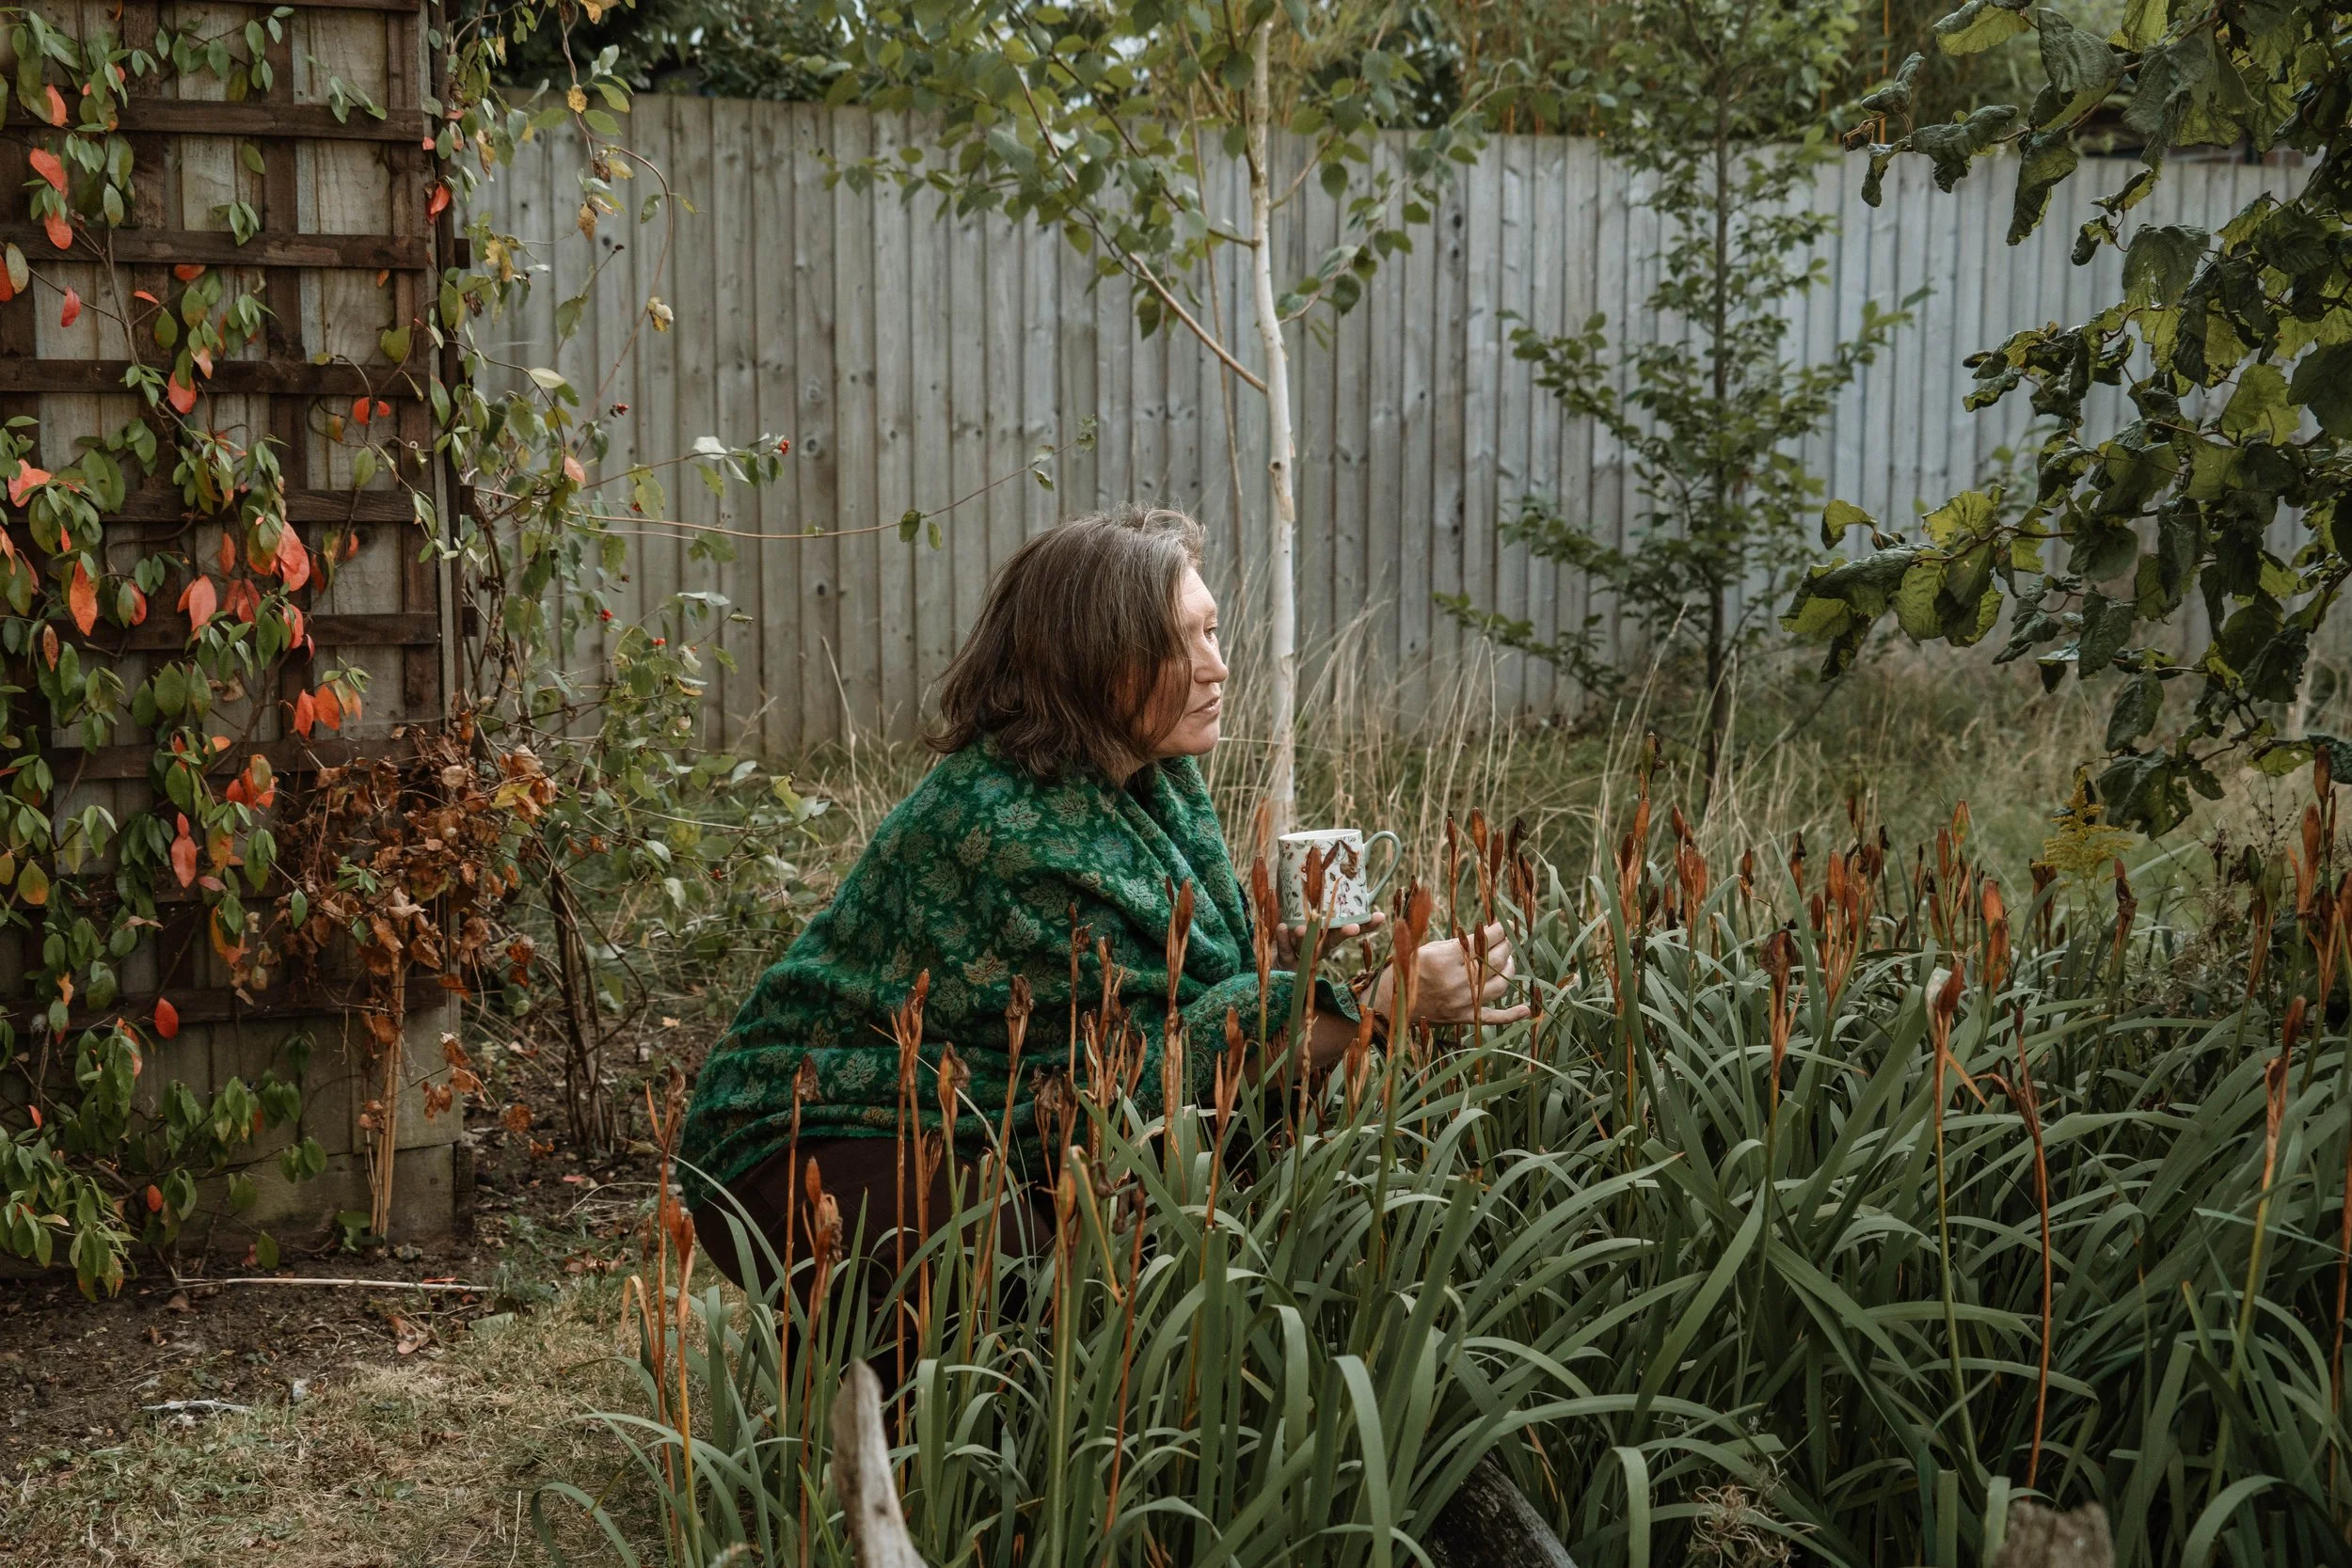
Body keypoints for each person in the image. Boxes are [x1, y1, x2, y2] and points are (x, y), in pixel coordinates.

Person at [679, 504, 1526, 1295]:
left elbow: (1152, 999)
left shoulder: (1149, 776)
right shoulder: (1006, 826)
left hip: (966, 1113)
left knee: (1122, 1245)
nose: (1218, 667)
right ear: (1089, 664)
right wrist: (1379, 1004)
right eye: (1179, 644)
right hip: (804, 1135)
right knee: (1019, 1277)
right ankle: (878, 1429)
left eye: (1214, 630)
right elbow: (1128, 1080)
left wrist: (1288, 955)